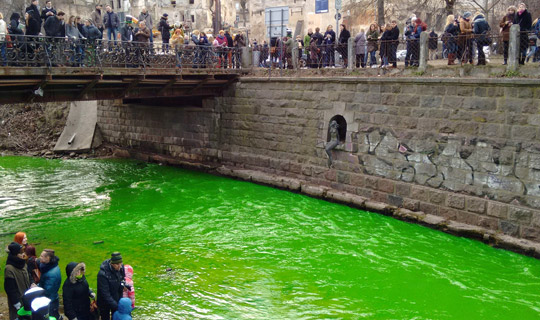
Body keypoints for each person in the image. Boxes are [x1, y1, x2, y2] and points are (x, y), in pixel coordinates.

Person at [4, 242, 31, 320]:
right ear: (16, 254)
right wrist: (16, 302)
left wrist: (32, 283)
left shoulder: (23, 263)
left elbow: (29, 275)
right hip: (18, 301)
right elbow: (10, 288)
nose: (23, 254)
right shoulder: (9, 268)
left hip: (27, 298)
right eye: (21, 252)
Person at [97, 252, 126, 320]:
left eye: (120, 263)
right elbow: (105, 293)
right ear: (112, 264)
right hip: (104, 302)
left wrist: (124, 285)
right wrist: (115, 305)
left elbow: (122, 278)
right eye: (117, 264)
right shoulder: (102, 274)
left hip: (116, 297)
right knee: (105, 317)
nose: (120, 266)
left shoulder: (121, 267)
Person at [38, 249, 61, 319]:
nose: (39, 257)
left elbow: (47, 291)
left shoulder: (51, 274)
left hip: (50, 302)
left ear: (47, 258)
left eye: (41, 256)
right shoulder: (49, 267)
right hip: (51, 299)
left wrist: (37, 288)